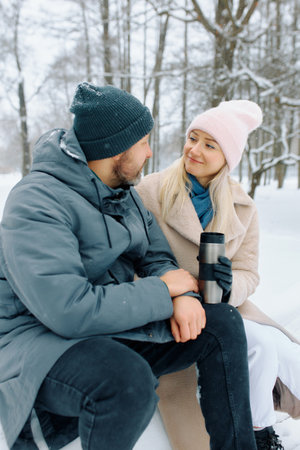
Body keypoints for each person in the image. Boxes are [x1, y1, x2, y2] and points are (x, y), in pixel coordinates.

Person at [0, 82, 257, 450]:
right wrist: (163, 290)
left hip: (107, 325)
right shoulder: (36, 201)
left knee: (221, 323)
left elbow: (156, 256)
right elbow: (68, 310)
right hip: (42, 341)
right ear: (115, 148)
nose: (151, 152)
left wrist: (183, 292)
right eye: (143, 143)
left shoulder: (122, 193)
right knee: (127, 379)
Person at [136, 99, 300, 450]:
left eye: (210, 145)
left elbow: (249, 273)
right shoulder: (149, 192)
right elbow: (131, 261)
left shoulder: (242, 206)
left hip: (224, 306)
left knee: (277, 351)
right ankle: (254, 435)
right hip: (172, 311)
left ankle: (259, 432)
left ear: (229, 157)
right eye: (193, 138)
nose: (194, 149)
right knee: (258, 345)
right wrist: (174, 290)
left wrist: (229, 286)